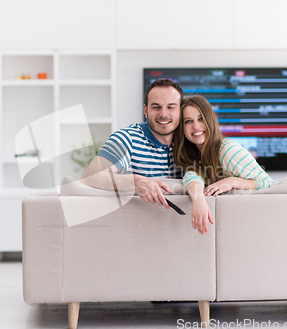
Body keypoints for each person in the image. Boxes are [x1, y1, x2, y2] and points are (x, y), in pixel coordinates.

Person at [173, 95, 275, 235]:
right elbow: (192, 176)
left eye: (201, 119)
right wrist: (198, 200)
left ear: (210, 119)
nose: (195, 126)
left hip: (256, 222)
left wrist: (232, 181)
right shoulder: (192, 154)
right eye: (188, 121)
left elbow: (269, 184)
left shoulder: (227, 150)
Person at [81, 79, 183, 209]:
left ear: (180, 110)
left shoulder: (190, 139)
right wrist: (136, 182)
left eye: (171, 107)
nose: (163, 114)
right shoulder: (127, 138)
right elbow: (90, 176)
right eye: (156, 107)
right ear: (145, 110)